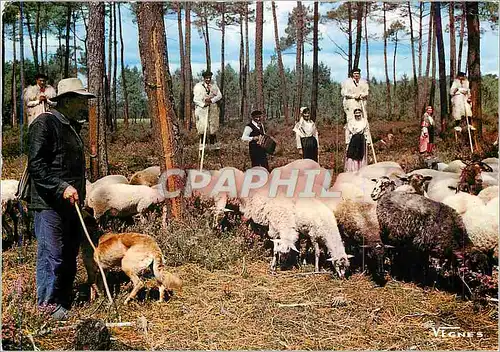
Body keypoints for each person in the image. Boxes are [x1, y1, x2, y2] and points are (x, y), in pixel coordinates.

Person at [28, 78, 95, 320]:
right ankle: (46, 306)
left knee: (68, 253)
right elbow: (37, 165)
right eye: (80, 101)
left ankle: (63, 300)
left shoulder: (72, 127)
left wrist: (80, 195)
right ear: (66, 101)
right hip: (49, 203)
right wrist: (61, 187)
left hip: (71, 203)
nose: (84, 106)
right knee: (51, 254)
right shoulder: (45, 124)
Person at [193, 70, 223, 150]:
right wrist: (203, 104)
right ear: (203, 78)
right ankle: (203, 146)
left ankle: (214, 147)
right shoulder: (198, 86)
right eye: (206, 78)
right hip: (202, 109)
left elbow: (219, 96)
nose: (208, 80)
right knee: (202, 127)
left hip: (212, 108)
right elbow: (195, 99)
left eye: (209, 78)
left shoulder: (214, 86)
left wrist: (212, 100)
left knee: (213, 126)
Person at [345, 108, 372, 172]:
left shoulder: (364, 121)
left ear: (361, 114)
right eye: (356, 115)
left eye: (359, 115)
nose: (358, 116)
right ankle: (353, 170)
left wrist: (368, 141)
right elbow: (347, 132)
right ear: (354, 115)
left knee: (361, 155)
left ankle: (361, 169)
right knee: (352, 155)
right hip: (353, 140)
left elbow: (367, 132)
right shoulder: (351, 122)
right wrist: (347, 142)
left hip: (361, 140)